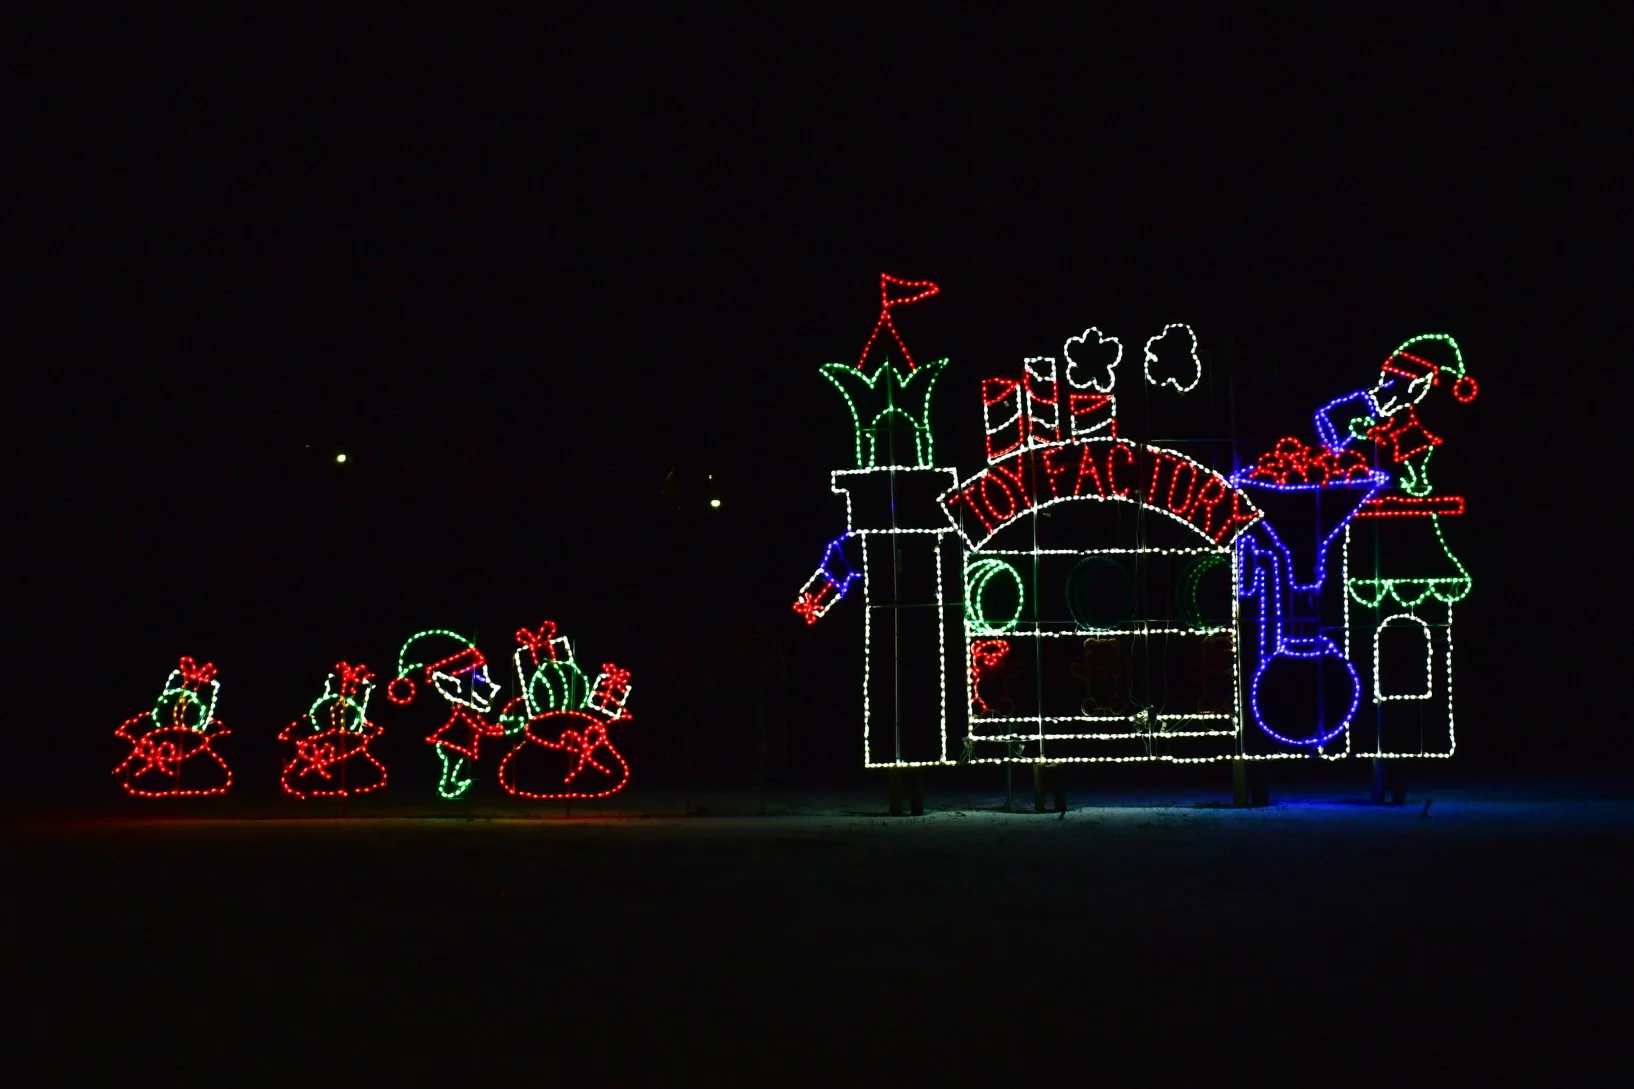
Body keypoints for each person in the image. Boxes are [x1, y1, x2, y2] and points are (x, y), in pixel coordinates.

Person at [386, 629, 502, 800]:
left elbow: (481, 724)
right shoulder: (453, 710)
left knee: (455, 759)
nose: (489, 685)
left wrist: (497, 729)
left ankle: (450, 783)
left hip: (459, 738)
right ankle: (448, 785)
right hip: (454, 738)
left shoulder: (465, 708)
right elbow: (480, 724)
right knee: (453, 758)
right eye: (477, 676)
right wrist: (496, 729)